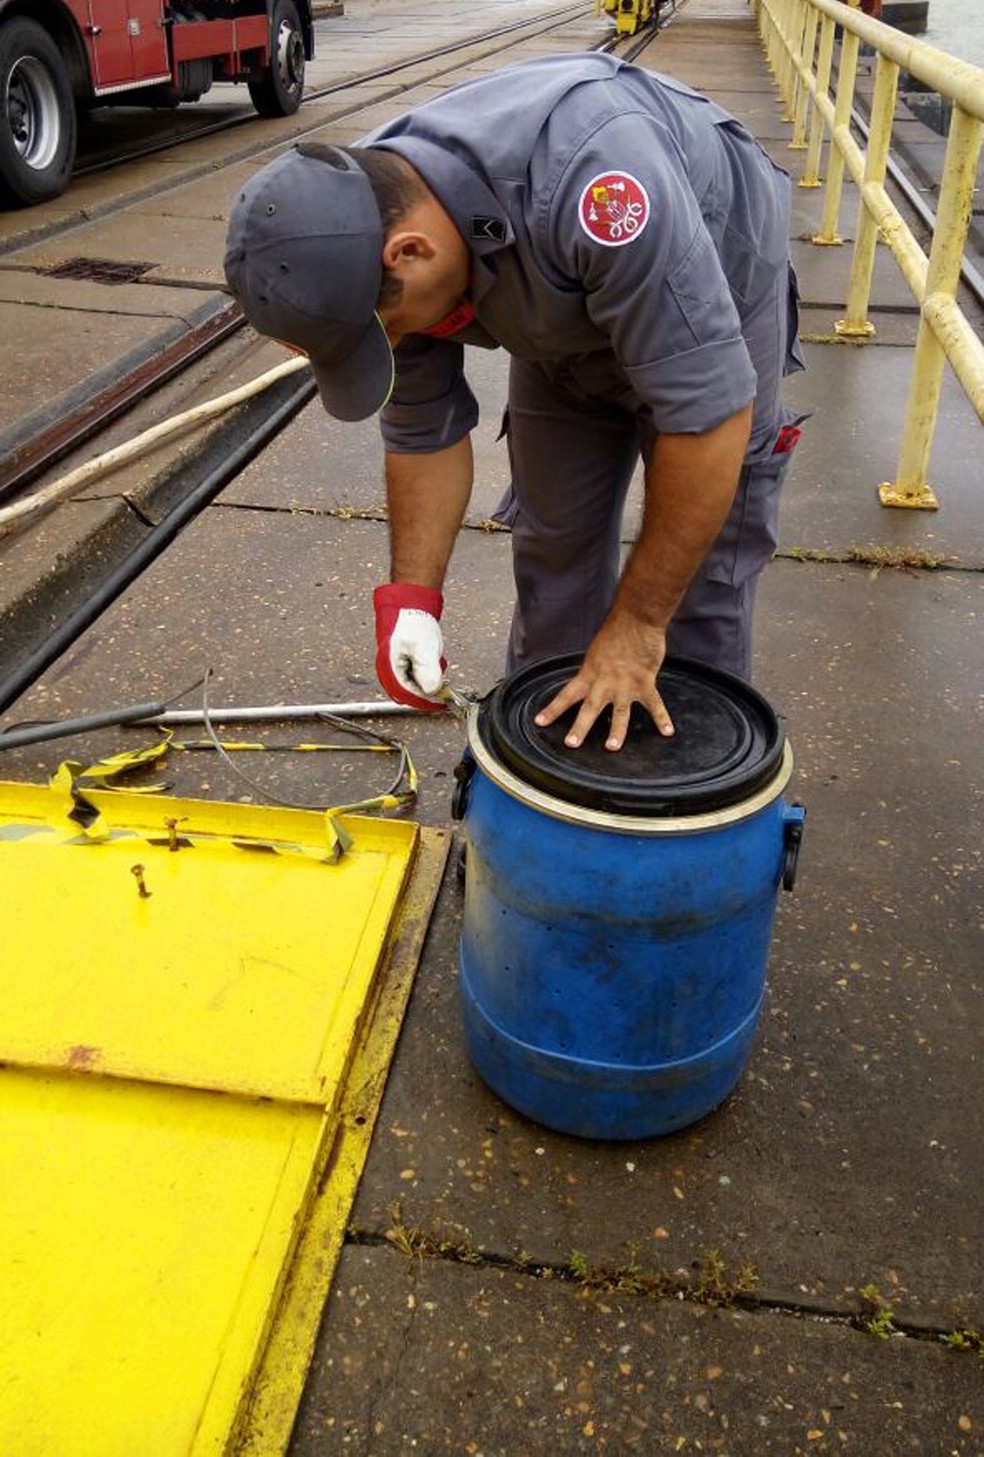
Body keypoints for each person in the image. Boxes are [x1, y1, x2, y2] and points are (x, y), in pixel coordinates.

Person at [225, 52, 804, 753]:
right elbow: (421, 431)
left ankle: (686, 803)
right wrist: (412, 599)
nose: (400, 343)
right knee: (553, 543)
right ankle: (550, 778)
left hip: (710, 281)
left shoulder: (599, 183)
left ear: (409, 253)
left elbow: (706, 420)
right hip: (556, 312)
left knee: (702, 583)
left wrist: (639, 623)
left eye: (396, 331)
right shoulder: (358, 234)